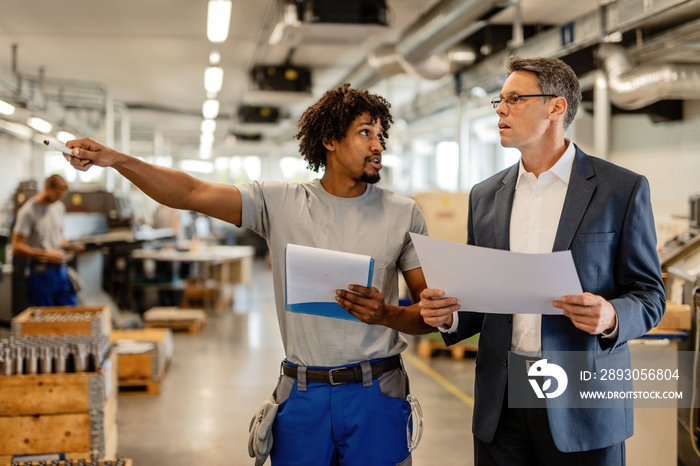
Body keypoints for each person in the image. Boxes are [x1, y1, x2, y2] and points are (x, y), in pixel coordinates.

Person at [64, 83, 433, 465]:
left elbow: (431, 315)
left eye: (381, 135)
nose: (378, 146)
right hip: (303, 394)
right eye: (365, 133)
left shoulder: (403, 213)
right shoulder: (279, 203)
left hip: (377, 393)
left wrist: (386, 314)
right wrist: (118, 160)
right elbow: (190, 192)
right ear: (329, 140)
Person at [419, 56, 665, 465]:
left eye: (515, 98)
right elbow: (481, 299)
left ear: (556, 107)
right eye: (500, 99)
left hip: (582, 401)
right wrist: (449, 314)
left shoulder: (620, 189)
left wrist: (611, 316)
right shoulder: (485, 195)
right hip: (502, 400)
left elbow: (649, 294)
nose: (500, 108)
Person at [12, 174, 84, 306]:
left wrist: (69, 246)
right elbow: (17, 246)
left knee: (69, 311)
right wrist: (46, 254)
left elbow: (57, 236)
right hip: (41, 272)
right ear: (46, 187)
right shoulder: (28, 211)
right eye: (56, 194)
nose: (58, 198)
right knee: (45, 316)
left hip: (61, 270)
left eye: (62, 195)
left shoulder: (58, 207)